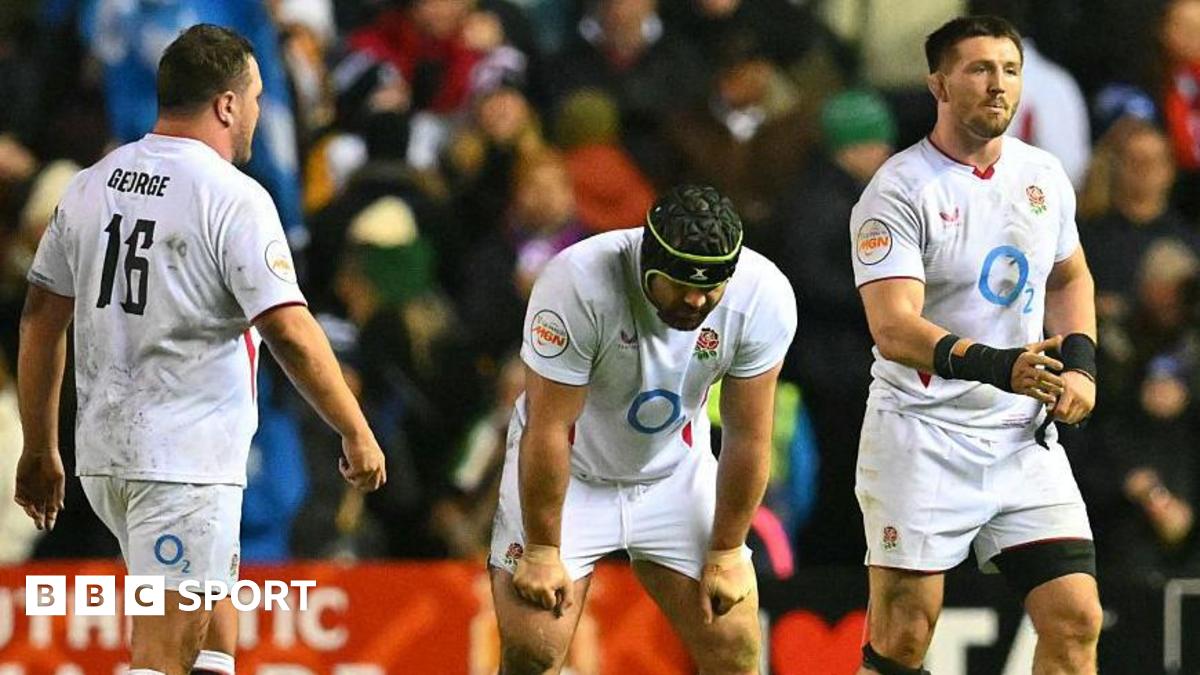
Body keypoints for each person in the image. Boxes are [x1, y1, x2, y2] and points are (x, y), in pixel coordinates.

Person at [14, 24, 385, 675]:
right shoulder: (232, 198)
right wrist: (354, 429)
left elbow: (41, 318)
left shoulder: (92, 186)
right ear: (227, 104)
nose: (259, 112)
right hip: (182, 461)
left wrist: (42, 446)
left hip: (110, 455)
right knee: (164, 652)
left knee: (215, 636)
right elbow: (289, 329)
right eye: (257, 97)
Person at [849, 16, 1101, 675]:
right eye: (980, 69)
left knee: (1076, 619)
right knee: (904, 635)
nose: (998, 85)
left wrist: (1081, 368)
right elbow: (894, 327)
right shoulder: (899, 190)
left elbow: (1069, 278)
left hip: (1020, 438)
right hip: (923, 435)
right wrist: (999, 366)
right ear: (938, 84)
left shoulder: (1043, 174)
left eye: (1010, 70)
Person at [488, 184, 796, 674]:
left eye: (711, 287)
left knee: (736, 649)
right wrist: (543, 550)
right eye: (680, 283)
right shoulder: (577, 282)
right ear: (646, 265)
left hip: (674, 474)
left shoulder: (763, 296)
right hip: (572, 475)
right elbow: (549, 428)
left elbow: (747, 436)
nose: (696, 299)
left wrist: (728, 549)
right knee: (534, 650)